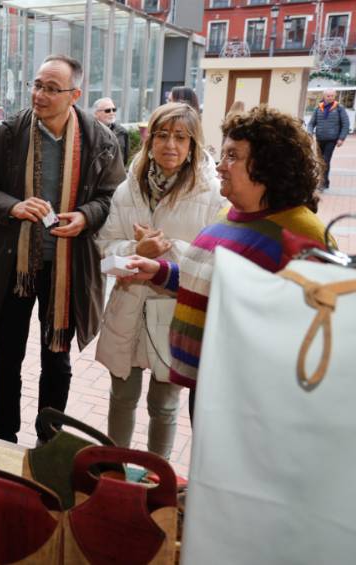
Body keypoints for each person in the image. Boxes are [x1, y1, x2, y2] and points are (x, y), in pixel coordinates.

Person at [122, 105, 329, 419]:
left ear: (268, 164)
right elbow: (211, 280)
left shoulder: (302, 234)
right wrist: (161, 272)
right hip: (210, 381)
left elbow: (317, 334)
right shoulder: (228, 214)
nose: (219, 166)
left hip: (252, 399)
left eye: (232, 156)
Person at [0, 54, 125, 444]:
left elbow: (113, 198)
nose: (39, 95)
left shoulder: (100, 140)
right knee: (7, 359)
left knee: (57, 362)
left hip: (68, 268)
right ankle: (3, 438)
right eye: (37, 85)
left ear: (74, 95)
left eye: (52, 89)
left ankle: (48, 441)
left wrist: (86, 216)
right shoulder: (9, 133)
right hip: (13, 266)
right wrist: (13, 207)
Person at [95, 102, 224, 460]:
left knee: (164, 404)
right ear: (150, 140)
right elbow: (105, 247)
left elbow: (214, 261)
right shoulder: (128, 188)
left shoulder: (212, 193)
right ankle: (115, 468)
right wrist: (136, 249)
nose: (170, 145)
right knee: (121, 397)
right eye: (163, 135)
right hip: (129, 305)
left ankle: (158, 474)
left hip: (176, 312)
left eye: (181, 137)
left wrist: (165, 251)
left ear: (193, 144)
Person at [308, 88, 350, 190]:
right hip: (319, 139)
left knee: (325, 160)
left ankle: (322, 183)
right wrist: (309, 132)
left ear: (335, 96)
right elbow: (311, 123)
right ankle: (324, 181)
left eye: (332, 96)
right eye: (328, 96)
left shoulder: (339, 108)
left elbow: (346, 124)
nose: (330, 98)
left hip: (331, 139)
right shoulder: (318, 108)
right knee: (320, 161)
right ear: (324, 96)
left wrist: (341, 138)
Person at [93, 97, 129, 164]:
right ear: (96, 113)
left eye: (114, 110)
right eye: (107, 110)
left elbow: (125, 158)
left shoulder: (122, 132)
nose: (112, 113)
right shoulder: (90, 132)